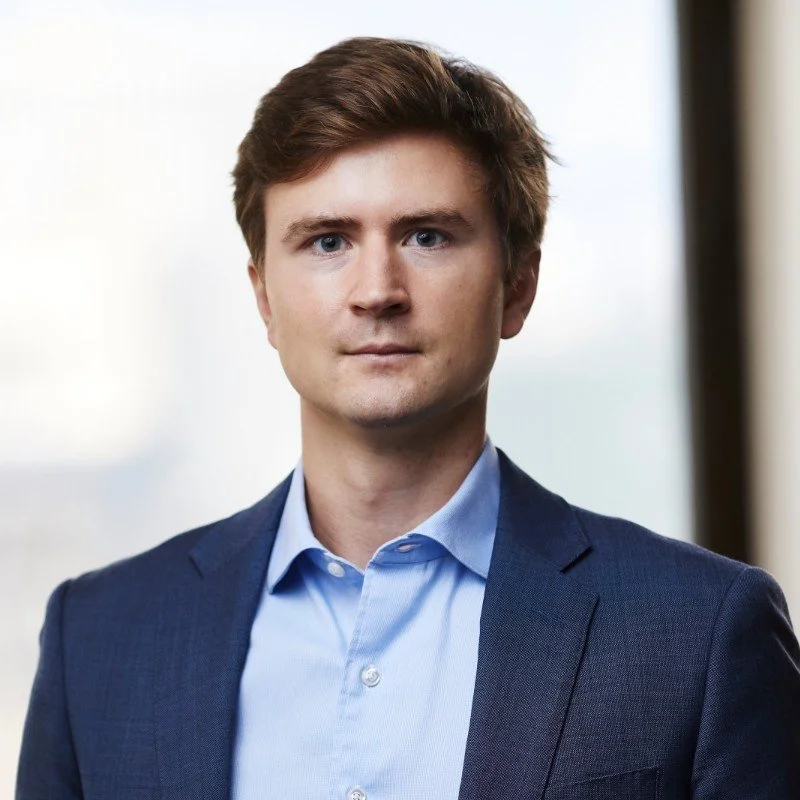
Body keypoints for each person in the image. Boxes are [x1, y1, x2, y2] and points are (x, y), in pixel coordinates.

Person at [16, 36, 800, 800]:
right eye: (327, 242)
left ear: (518, 287)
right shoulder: (100, 639)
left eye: (427, 236)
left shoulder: (699, 633)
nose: (376, 290)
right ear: (263, 297)